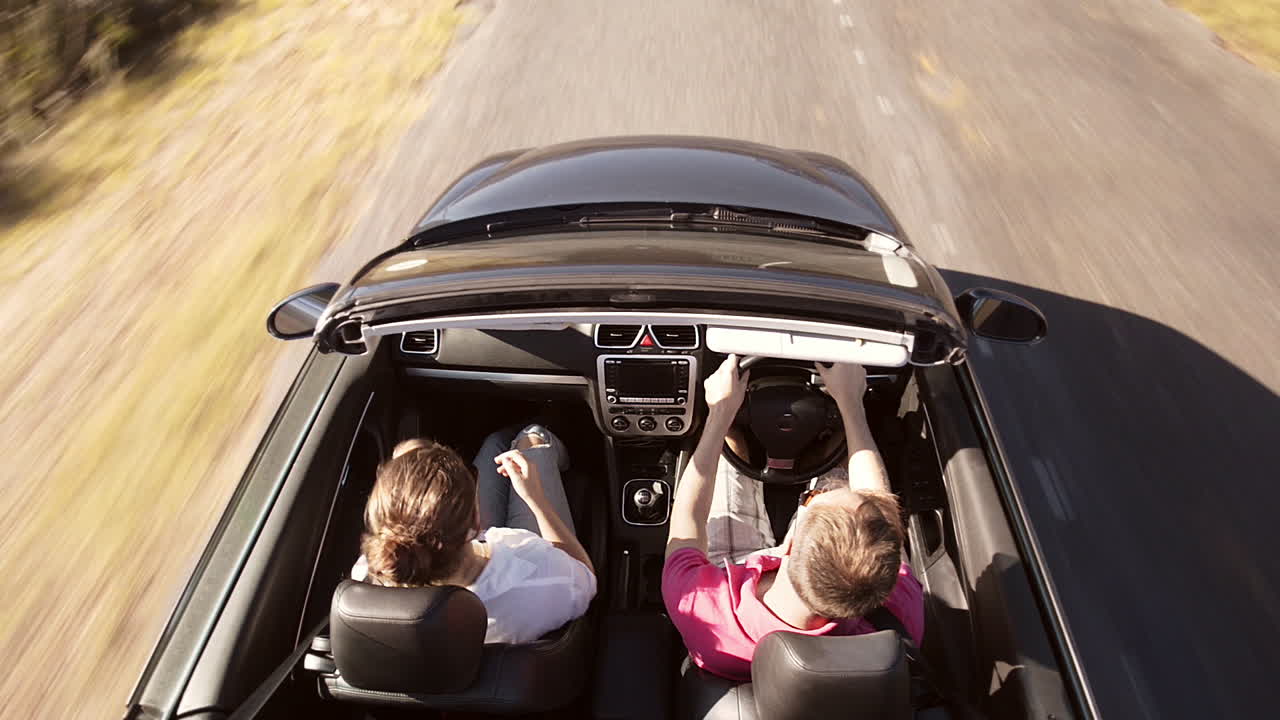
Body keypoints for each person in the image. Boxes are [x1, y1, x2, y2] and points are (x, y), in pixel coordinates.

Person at [662, 355, 924, 681]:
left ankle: (734, 435)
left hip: (734, 579)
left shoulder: (702, 606)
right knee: (835, 457)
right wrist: (851, 406)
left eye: (814, 496)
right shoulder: (900, 616)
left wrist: (720, 413)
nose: (831, 487)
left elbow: (689, 515)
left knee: (734, 442)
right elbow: (876, 501)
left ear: (788, 544)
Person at [352, 424, 596, 645]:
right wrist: (537, 500)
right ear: (477, 521)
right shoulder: (542, 576)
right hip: (514, 557)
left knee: (494, 443)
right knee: (532, 437)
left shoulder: (368, 581)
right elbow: (585, 577)